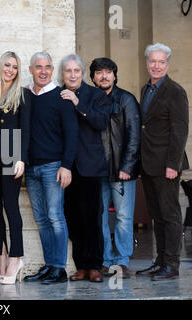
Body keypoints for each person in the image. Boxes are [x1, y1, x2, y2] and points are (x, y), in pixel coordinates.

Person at [23, 52, 78, 284]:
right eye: (38, 67)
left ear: (52, 69)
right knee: (42, 219)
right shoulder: (25, 96)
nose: (43, 71)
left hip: (53, 166)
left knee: (56, 217)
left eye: (47, 67)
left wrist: (66, 166)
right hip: (31, 168)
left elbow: (72, 134)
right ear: (31, 69)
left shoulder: (61, 97)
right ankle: (49, 266)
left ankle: (60, 268)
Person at [135, 43, 189, 281]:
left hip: (166, 165)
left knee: (170, 215)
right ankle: (159, 261)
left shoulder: (175, 91)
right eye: (152, 61)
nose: (156, 66)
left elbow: (180, 131)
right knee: (157, 215)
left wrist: (172, 165)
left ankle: (172, 265)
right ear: (147, 63)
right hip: (148, 163)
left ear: (168, 64)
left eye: (161, 62)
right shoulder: (146, 89)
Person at [60, 54, 111, 283]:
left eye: (76, 71)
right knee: (72, 217)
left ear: (82, 73)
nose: (72, 75)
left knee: (92, 217)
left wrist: (77, 103)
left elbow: (101, 122)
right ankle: (81, 265)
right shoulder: (57, 95)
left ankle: (95, 266)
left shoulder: (96, 95)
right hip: (67, 167)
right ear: (63, 74)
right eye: (68, 71)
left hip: (90, 166)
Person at [90, 57, 140, 279]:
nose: (104, 76)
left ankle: (122, 261)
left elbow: (134, 135)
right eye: (99, 72)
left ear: (114, 75)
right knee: (98, 216)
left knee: (123, 217)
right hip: (97, 170)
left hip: (121, 170)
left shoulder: (126, 99)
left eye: (108, 72)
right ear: (92, 77)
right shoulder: (89, 99)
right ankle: (105, 260)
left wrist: (127, 165)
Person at [0, 51, 30, 284]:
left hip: (12, 158)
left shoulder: (23, 95)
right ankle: (2, 257)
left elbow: (26, 129)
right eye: (7, 65)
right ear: (0, 66)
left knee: (11, 206)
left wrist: (21, 158)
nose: (10, 70)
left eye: (15, 67)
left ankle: (16, 257)